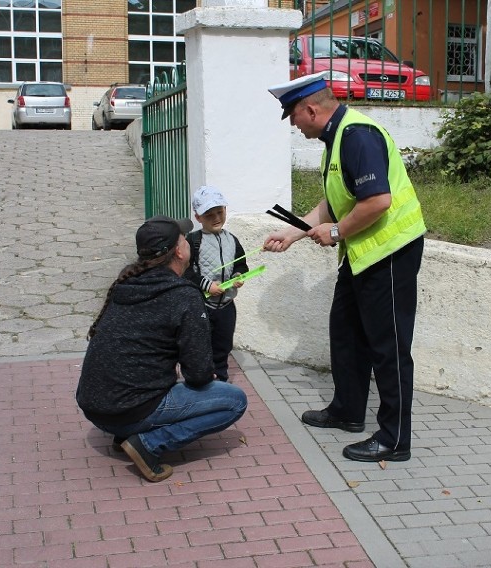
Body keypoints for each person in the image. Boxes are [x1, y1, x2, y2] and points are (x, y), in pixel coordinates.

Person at [265, 72, 426, 463]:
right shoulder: (336, 138)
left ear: (311, 109)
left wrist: (336, 232)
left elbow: (378, 202)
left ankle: (394, 438)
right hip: (362, 253)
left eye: (293, 117)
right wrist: (296, 233)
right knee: (347, 332)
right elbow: (335, 200)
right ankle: (348, 411)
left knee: (388, 348)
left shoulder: (357, 136)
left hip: (388, 253)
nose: (293, 125)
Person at [76, 215, 248, 482]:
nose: (188, 241)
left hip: (94, 407)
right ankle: (149, 444)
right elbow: (198, 373)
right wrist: (205, 375)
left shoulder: (126, 282)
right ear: (179, 250)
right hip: (128, 410)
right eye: (184, 238)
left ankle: (124, 435)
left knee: (145, 377)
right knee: (234, 401)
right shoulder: (184, 296)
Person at [183, 185, 249, 382]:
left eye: (220, 212)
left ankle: (220, 379)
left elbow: (242, 264)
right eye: (209, 214)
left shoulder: (232, 240)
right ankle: (197, 379)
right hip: (202, 306)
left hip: (227, 306)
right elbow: (186, 272)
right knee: (200, 345)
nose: (216, 218)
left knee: (223, 344)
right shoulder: (193, 241)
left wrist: (238, 276)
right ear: (198, 217)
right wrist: (206, 285)